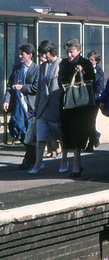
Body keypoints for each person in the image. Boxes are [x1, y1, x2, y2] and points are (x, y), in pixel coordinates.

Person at [59, 39, 95, 178]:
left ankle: (76, 165)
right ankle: (69, 164)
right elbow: (60, 80)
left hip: (82, 106)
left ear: (79, 51)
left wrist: (82, 72)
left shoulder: (86, 63)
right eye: (67, 52)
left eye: (72, 52)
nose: (69, 55)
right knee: (68, 134)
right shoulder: (64, 64)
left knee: (79, 134)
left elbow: (92, 80)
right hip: (68, 104)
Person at [28, 40, 63, 175]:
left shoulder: (61, 64)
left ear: (48, 53)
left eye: (42, 53)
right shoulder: (42, 67)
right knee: (40, 136)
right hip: (43, 107)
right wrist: (36, 106)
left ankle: (64, 161)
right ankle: (38, 163)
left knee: (60, 135)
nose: (41, 56)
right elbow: (39, 90)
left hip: (56, 106)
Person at [4, 44, 39, 169]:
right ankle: (32, 153)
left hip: (30, 106)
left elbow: (36, 87)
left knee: (28, 131)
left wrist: (22, 87)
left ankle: (28, 159)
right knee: (14, 127)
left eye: (22, 54)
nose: (20, 56)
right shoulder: (17, 68)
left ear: (30, 55)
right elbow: (9, 86)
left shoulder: (37, 69)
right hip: (18, 105)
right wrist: (6, 100)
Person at [85, 51, 104, 151]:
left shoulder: (99, 72)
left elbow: (99, 87)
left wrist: (95, 97)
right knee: (86, 122)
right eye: (89, 59)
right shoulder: (85, 70)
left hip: (94, 101)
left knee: (91, 122)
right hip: (85, 99)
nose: (90, 61)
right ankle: (95, 135)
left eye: (92, 60)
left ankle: (90, 144)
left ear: (96, 61)